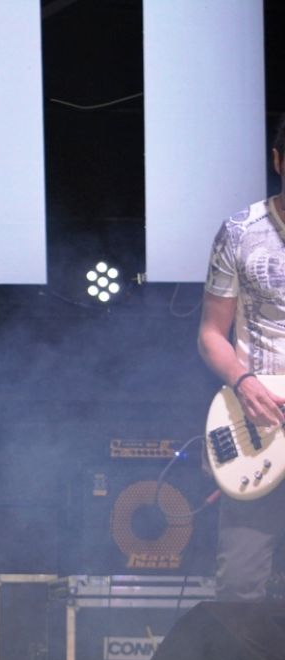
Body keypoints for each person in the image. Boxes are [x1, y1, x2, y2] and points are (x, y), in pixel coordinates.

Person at [198, 114, 285, 602]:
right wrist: (243, 381)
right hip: (258, 428)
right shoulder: (239, 231)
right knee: (239, 588)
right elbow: (211, 334)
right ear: (277, 160)